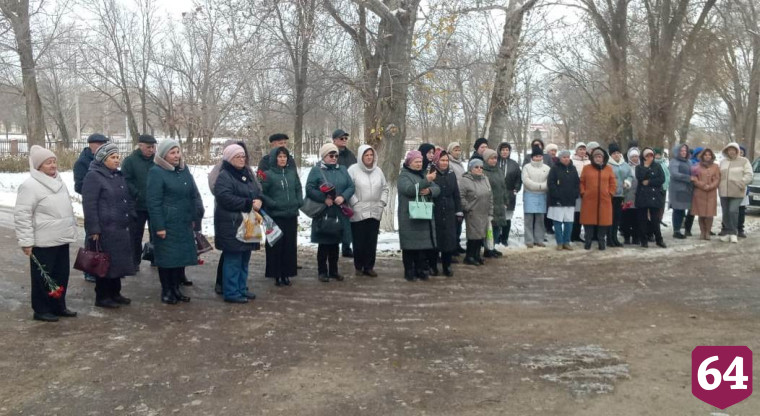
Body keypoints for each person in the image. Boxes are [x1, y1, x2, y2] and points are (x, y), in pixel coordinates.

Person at [14, 146, 78, 322]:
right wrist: (26, 242)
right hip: (43, 241)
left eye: (54, 161)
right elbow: (22, 215)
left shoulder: (59, 182)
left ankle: (58, 306)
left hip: (61, 237)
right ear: (39, 166)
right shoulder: (29, 186)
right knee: (43, 277)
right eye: (48, 162)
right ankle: (41, 309)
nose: (53, 165)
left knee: (61, 274)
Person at [146, 139, 204, 304]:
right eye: (172, 152)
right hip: (167, 224)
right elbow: (153, 202)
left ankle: (176, 290)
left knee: (179, 259)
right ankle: (167, 291)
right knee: (167, 260)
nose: (176, 155)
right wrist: (159, 226)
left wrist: (194, 217)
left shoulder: (183, 171)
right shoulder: (156, 172)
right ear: (164, 155)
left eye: (178, 151)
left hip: (183, 222)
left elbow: (192, 195)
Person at [82, 143, 136, 308]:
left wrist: (131, 215)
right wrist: (94, 229)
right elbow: (89, 205)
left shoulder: (117, 176)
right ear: (102, 159)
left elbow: (126, 197)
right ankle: (102, 297)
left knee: (117, 263)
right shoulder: (94, 176)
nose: (117, 160)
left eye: (117, 157)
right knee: (104, 264)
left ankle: (115, 293)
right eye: (112, 157)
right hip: (104, 229)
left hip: (120, 227)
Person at [209, 140, 260, 294]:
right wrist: (248, 203)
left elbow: (256, 190)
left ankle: (241, 288)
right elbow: (224, 197)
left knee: (245, 258)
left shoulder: (247, 173)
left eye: (243, 156)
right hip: (232, 224)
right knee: (233, 260)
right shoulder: (224, 175)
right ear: (229, 158)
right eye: (237, 156)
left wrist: (259, 199)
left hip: (249, 222)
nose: (241, 159)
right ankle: (231, 291)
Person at [306, 143, 355, 281]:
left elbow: (351, 186)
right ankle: (322, 271)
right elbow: (309, 189)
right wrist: (323, 198)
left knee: (335, 241)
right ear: (324, 156)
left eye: (336, 155)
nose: (334, 158)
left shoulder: (343, 169)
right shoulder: (317, 170)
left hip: (339, 210)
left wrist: (343, 197)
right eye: (331, 155)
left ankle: (334, 270)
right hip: (324, 211)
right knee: (324, 241)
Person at [260, 147, 303, 286]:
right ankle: (276, 274)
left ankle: (287, 273)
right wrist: (272, 203)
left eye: (285, 156)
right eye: (280, 156)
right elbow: (261, 192)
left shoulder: (291, 173)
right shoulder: (267, 174)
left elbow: (298, 187)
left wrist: (299, 201)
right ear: (274, 158)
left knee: (289, 246)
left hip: (291, 215)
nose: (283, 159)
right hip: (274, 216)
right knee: (276, 246)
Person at [347, 145, 389, 277]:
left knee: (371, 241)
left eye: (371, 155)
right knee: (359, 241)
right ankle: (358, 266)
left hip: (375, 211)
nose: (369, 157)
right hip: (358, 211)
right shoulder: (353, 170)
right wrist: (355, 203)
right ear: (361, 156)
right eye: (366, 155)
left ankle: (369, 266)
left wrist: (381, 203)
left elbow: (385, 188)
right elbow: (348, 188)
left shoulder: (378, 171)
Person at [398, 150, 440, 280]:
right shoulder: (404, 176)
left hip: (422, 215)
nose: (419, 164)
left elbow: (437, 189)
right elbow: (410, 190)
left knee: (421, 247)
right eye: (416, 162)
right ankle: (409, 271)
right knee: (410, 247)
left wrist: (429, 191)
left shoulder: (422, 174)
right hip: (409, 217)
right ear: (409, 163)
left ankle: (420, 269)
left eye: (420, 161)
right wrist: (426, 180)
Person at [74, 133, 109, 282]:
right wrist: (95, 189)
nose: (103, 147)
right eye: (101, 144)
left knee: (104, 237)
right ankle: (89, 270)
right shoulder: (82, 162)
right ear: (92, 145)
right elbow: (79, 186)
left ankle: (102, 266)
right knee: (92, 236)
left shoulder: (104, 159)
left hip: (106, 204)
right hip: (92, 204)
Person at [121, 134, 156, 270]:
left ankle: (155, 258)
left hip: (154, 205)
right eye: (148, 147)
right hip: (137, 205)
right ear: (140, 145)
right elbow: (126, 179)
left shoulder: (157, 161)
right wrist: (137, 193)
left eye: (153, 147)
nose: (151, 150)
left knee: (156, 233)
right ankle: (134, 262)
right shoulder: (130, 161)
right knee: (135, 235)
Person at [430, 149, 461, 276]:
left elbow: (456, 194)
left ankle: (447, 266)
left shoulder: (451, 174)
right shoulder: (431, 174)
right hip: (435, 209)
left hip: (449, 209)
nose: (444, 163)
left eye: (446, 160)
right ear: (436, 160)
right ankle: (432, 265)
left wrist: (459, 210)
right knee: (435, 238)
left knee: (448, 239)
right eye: (442, 160)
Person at [580, 147, 617, 250]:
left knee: (603, 222)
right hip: (589, 200)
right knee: (588, 222)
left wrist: (610, 193)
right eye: (596, 156)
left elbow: (613, 183)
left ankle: (602, 241)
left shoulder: (608, 169)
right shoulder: (586, 168)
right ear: (592, 157)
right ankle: (588, 241)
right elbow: (582, 182)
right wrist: (583, 193)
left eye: (600, 156)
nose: (598, 158)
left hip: (604, 200)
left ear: (603, 158)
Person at [718, 142, 753, 243]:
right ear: (726, 151)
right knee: (726, 213)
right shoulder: (723, 162)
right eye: (729, 150)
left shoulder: (744, 161)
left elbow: (749, 175)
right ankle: (728, 232)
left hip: (737, 192)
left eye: (734, 149)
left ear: (737, 151)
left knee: (733, 211)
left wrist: (741, 183)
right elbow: (719, 176)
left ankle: (733, 233)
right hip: (723, 192)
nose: (731, 151)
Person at [460, 158, 493, 264]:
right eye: (476, 167)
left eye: (481, 167)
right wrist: (467, 207)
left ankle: (477, 255)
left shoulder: (485, 179)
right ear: (471, 168)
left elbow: (490, 195)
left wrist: (491, 210)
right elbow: (461, 196)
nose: (479, 169)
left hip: (484, 211)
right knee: (473, 235)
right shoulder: (465, 180)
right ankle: (469, 256)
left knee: (481, 234)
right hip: (472, 212)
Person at [547, 150, 580, 250]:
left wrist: (575, 194)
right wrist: (557, 195)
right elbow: (551, 183)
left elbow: (577, 183)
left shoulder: (573, 168)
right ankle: (559, 242)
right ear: (560, 158)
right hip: (558, 201)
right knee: (557, 222)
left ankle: (567, 242)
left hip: (570, 200)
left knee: (569, 222)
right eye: (564, 157)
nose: (566, 159)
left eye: (567, 157)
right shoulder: (554, 168)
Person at [635, 148, 667, 248]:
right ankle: (643, 240)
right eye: (647, 156)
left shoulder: (657, 166)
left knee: (655, 219)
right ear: (643, 157)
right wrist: (646, 167)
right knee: (642, 220)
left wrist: (649, 182)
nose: (649, 158)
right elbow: (640, 178)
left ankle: (659, 239)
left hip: (655, 196)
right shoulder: (639, 167)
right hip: (643, 196)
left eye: (651, 155)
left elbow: (662, 179)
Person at [332, 129, 356, 258]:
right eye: (341, 138)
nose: (344, 140)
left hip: (349, 191)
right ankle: (333, 245)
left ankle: (347, 246)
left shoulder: (350, 155)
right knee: (335, 222)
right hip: (334, 193)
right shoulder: (331, 154)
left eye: (346, 138)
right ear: (334, 140)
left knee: (348, 221)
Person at [522, 146, 550, 248]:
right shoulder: (527, 167)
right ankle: (529, 240)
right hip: (529, 194)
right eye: (536, 156)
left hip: (542, 195)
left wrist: (542, 187)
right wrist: (538, 186)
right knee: (529, 219)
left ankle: (539, 239)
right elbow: (526, 180)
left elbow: (549, 181)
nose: (538, 158)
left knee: (540, 219)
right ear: (532, 157)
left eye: (540, 156)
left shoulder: (547, 168)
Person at [690, 148, 719, 240]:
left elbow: (717, 179)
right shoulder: (696, 166)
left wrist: (710, 186)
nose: (707, 156)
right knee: (701, 213)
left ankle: (708, 232)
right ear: (702, 156)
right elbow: (694, 179)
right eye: (705, 155)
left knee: (709, 214)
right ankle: (702, 232)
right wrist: (702, 185)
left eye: (709, 155)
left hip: (711, 193)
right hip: (699, 192)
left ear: (712, 156)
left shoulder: (716, 166)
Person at [482, 149, 506, 257]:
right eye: (491, 158)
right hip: (489, 203)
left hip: (499, 203)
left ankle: (493, 246)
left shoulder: (499, 170)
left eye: (495, 158)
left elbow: (503, 186)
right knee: (489, 227)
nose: (494, 160)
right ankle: (487, 248)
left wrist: (506, 200)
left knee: (497, 227)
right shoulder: (483, 171)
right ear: (486, 159)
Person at [607, 143, 632, 247]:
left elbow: (629, 175)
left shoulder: (625, 165)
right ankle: (609, 238)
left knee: (617, 218)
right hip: (610, 195)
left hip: (621, 194)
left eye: (618, 153)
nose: (616, 155)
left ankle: (615, 237)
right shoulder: (607, 165)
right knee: (610, 217)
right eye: (614, 153)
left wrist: (627, 182)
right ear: (610, 155)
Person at [498, 142, 521, 246]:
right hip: (497, 194)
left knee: (507, 217)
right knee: (497, 217)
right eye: (503, 150)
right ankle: (497, 237)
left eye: (507, 150)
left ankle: (505, 238)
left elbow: (518, 178)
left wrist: (516, 189)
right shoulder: (494, 161)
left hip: (509, 193)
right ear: (499, 151)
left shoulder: (514, 164)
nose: (504, 152)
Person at [669, 143, 693, 239]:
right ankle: (676, 230)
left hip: (686, 189)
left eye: (685, 151)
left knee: (683, 210)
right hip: (677, 189)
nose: (683, 152)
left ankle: (681, 228)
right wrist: (688, 178)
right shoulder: (674, 161)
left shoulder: (688, 161)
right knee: (678, 209)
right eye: (681, 151)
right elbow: (674, 174)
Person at [447, 141, 466, 253]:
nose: (458, 152)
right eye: (455, 150)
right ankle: (452, 245)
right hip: (454, 195)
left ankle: (457, 243)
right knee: (454, 223)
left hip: (461, 196)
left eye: (459, 150)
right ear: (450, 151)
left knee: (459, 222)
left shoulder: (459, 163)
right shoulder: (449, 163)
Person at [571, 142, 591, 242]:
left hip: (588, 191)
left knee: (585, 213)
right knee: (576, 213)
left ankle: (585, 234)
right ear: (576, 150)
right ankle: (574, 234)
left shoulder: (589, 162)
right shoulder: (572, 161)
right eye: (580, 149)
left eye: (584, 149)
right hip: (576, 190)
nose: (582, 151)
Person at [621, 148, 640, 244]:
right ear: (629, 157)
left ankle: (636, 237)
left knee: (637, 218)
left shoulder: (641, 166)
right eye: (633, 156)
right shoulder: (626, 167)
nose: (635, 158)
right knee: (627, 218)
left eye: (636, 156)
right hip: (627, 195)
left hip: (638, 196)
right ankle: (627, 237)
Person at [738, 146, 750, 238]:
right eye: (738, 152)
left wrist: (744, 184)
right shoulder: (730, 162)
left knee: (741, 211)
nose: (740, 154)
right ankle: (727, 228)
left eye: (741, 152)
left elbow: (749, 175)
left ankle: (740, 229)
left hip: (742, 189)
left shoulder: (746, 162)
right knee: (730, 211)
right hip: (731, 190)